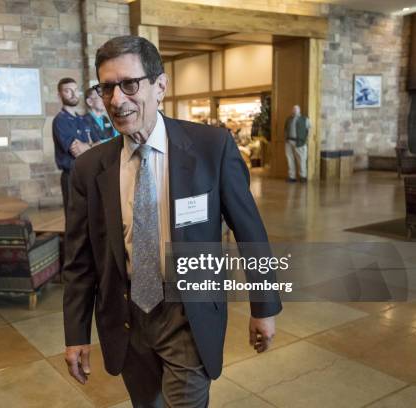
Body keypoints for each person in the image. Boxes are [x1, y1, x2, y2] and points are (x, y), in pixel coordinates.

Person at [62, 35, 282, 407]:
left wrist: (265, 306)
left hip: (188, 314)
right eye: (107, 88)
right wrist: (76, 334)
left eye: (129, 84)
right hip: (127, 318)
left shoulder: (212, 147)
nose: (117, 100)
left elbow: (250, 233)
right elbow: (80, 262)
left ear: (160, 85)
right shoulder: (89, 168)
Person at [52, 77, 99, 218]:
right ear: (59, 95)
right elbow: (76, 150)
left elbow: (100, 145)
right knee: (75, 220)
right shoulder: (60, 121)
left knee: (90, 218)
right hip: (71, 176)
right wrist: (92, 146)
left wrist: (88, 146)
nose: (73, 94)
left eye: (75, 90)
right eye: (67, 91)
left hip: (88, 174)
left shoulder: (82, 119)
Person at [284, 104, 310, 182]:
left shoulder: (305, 119)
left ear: (299, 110)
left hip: (300, 142)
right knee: (290, 159)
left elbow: (309, 130)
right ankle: (292, 177)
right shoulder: (289, 119)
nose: (295, 111)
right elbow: (285, 129)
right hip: (289, 142)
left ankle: (303, 176)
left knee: (301, 160)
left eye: (296, 109)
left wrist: (306, 139)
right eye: (294, 109)